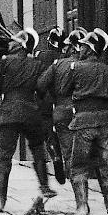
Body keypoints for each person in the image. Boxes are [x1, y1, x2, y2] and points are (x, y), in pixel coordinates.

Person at [56, 29, 108, 215]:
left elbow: (63, 90)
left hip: (83, 122)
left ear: (91, 48)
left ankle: (82, 207)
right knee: (107, 167)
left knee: (78, 166)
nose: (80, 48)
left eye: (84, 46)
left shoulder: (75, 68)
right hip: (106, 122)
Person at [0, 29, 56, 212]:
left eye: (14, 41)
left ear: (22, 44)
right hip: (30, 112)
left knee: (3, 157)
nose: (10, 43)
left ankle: (0, 201)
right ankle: (44, 186)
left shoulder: (4, 61)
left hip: (8, 112)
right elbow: (41, 89)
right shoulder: (38, 64)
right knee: (38, 150)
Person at [38, 27, 84, 184]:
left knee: (52, 135)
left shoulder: (42, 56)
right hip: (77, 106)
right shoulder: (71, 60)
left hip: (51, 103)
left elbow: (40, 82)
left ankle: (55, 154)